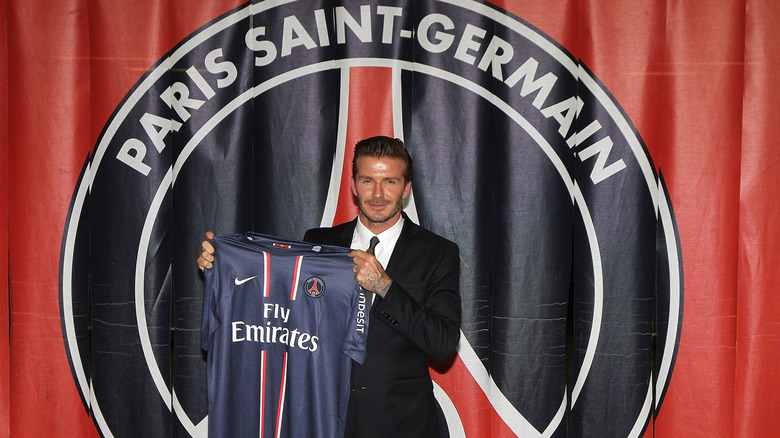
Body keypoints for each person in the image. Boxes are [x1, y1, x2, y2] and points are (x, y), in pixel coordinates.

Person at [198, 136, 461, 437]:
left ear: (406, 188)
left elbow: (443, 343)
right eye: (367, 180)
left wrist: (386, 287)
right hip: (319, 414)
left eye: (389, 181)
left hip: (400, 422)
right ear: (353, 185)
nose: (377, 194)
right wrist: (223, 266)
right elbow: (277, 302)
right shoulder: (319, 243)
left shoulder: (437, 252)